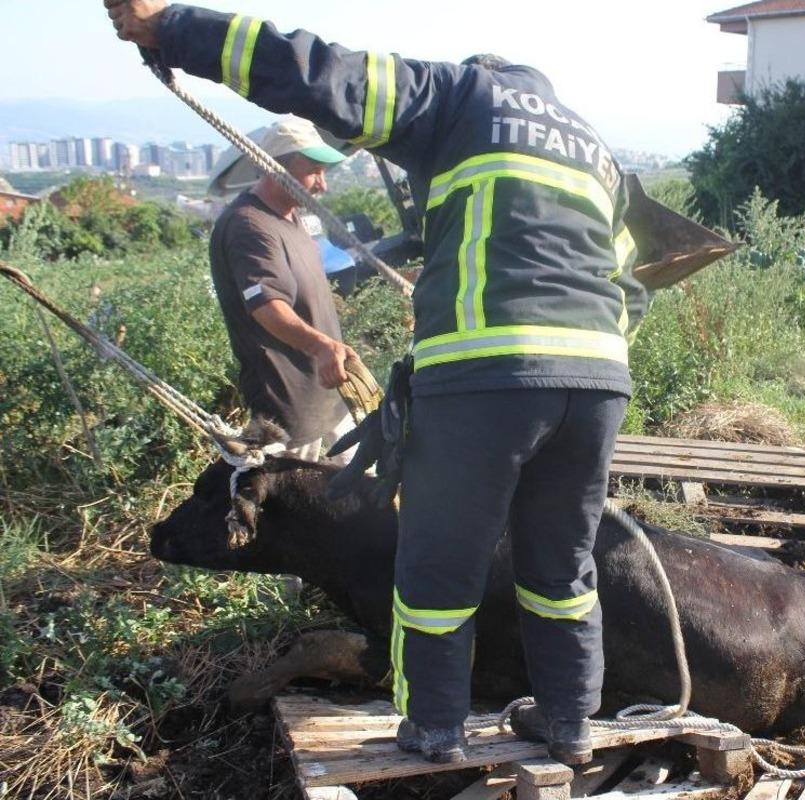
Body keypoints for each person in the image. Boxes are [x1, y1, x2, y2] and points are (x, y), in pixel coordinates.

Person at [106, 0, 650, 766]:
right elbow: (630, 282)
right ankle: (568, 721)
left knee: (438, 560)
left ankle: (434, 725)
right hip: (596, 383)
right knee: (562, 562)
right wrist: (585, 362)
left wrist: (172, 27)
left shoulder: (461, 95)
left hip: (486, 378)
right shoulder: (594, 148)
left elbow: (317, 73)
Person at [209, 115, 358, 462]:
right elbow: (267, 306)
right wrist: (322, 347)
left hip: (327, 399)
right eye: (313, 171)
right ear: (274, 168)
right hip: (288, 411)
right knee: (293, 508)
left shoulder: (290, 218)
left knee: (366, 498)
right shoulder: (249, 225)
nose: (323, 184)